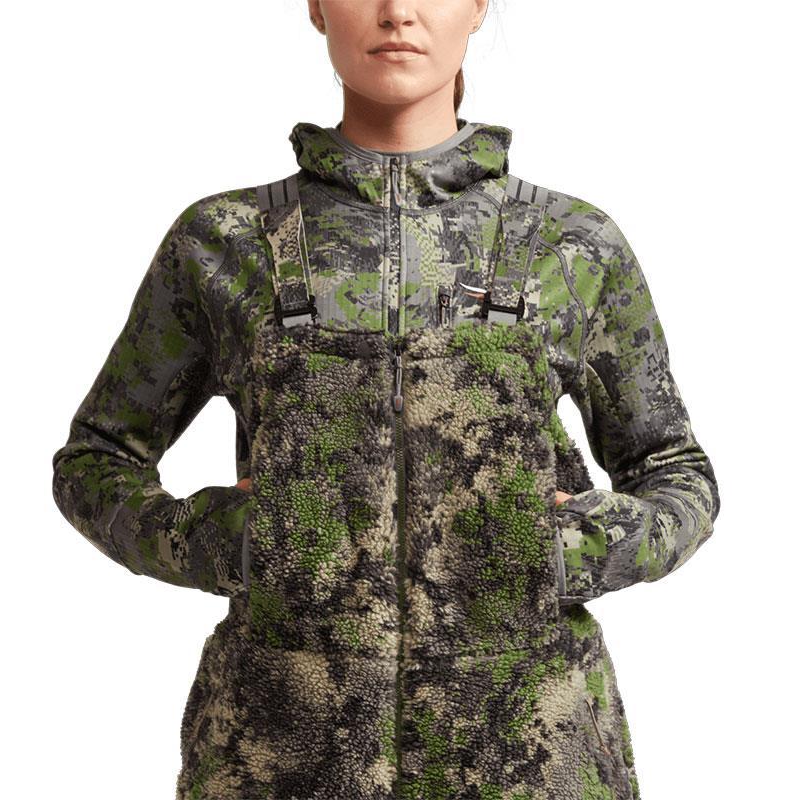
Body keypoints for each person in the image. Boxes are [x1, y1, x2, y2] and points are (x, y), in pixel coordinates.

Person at [51, 1, 720, 798]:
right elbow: (96, 460)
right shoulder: (224, 241)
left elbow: (676, 472)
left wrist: (566, 548)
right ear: (316, 7)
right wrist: (227, 542)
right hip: (280, 755)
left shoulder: (572, 244)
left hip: (531, 758)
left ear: (478, 7)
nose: (398, 11)